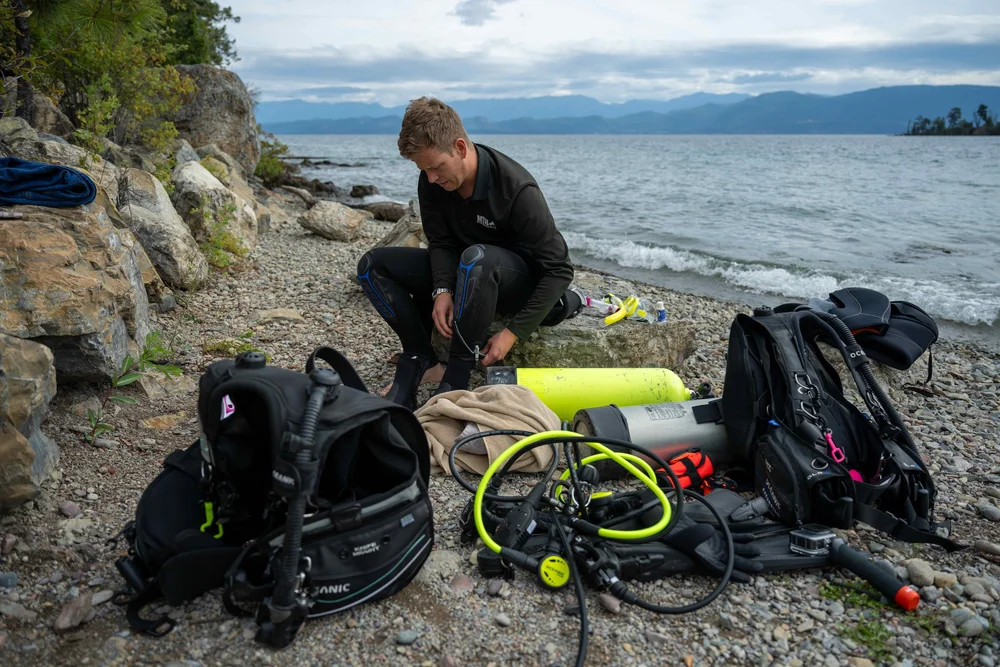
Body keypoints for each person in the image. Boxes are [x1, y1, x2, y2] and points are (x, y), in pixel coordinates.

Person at [357, 96, 582, 410]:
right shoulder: (432, 180)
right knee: (371, 266)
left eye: (436, 167)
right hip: (466, 274)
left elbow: (559, 269)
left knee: (477, 257)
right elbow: (442, 243)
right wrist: (442, 289)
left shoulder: (517, 190)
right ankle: (422, 357)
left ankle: (457, 374)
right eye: (425, 170)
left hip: (511, 281)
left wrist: (511, 333)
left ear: (460, 148)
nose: (432, 178)